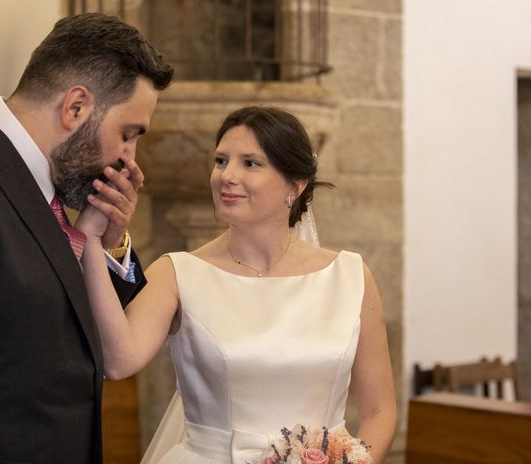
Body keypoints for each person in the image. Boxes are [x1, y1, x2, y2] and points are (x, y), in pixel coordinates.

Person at [0, 13, 173, 463]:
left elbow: (84, 342)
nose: (128, 158)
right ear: (76, 106)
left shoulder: (45, 192)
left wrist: (109, 239)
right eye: (128, 134)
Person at [77, 106, 397, 463]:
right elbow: (119, 361)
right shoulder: (177, 272)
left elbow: (379, 412)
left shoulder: (351, 277)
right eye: (220, 161)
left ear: (295, 184)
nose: (226, 176)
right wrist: (91, 239)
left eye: (250, 163)